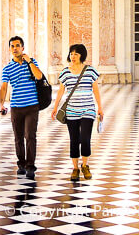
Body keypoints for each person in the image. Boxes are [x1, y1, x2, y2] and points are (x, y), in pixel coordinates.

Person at [51, 44, 104, 181]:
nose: (72, 56)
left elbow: (96, 90)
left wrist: (100, 107)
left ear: (82, 55)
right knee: (74, 139)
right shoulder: (65, 72)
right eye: (71, 54)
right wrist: (55, 107)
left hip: (88, 110)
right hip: (71, 111)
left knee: (85, 138)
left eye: (76, 54)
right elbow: (61, 91)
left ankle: (85, 165)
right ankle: (75, 168)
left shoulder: (90, 71)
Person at [0, 36, 44, 180]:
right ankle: (21, 165)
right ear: (9, 49)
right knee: (18, 138)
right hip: (16, 107)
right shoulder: (7, 68)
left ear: (23, 48)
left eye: (17, 46)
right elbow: (4, 87)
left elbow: (38, 76)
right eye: (12, 46)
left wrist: (29, 61)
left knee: (30, 136)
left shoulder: (31, 63)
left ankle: (30, 166)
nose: (15, 48)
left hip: (32, 105)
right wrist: (1, 104)